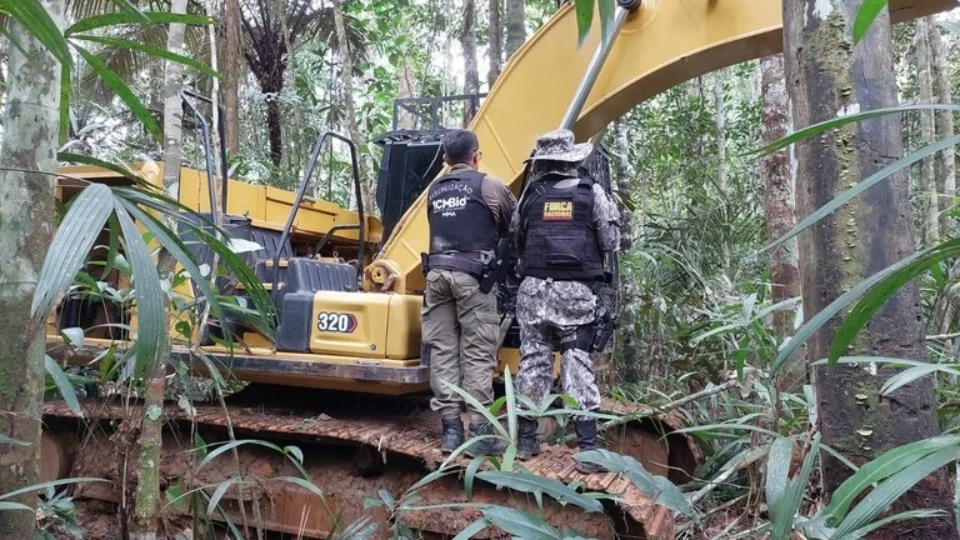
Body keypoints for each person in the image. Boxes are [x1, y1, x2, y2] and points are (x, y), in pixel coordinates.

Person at [511, 129, 621, 474]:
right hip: (574, 295)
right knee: (577, 364)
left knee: (533, 363)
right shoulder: (592, 194)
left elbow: (517, 237)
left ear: (542, 162)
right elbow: (611, 241)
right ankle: (588, 450)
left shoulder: (529, 194)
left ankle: (526, 443)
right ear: (572, 159)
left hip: (532, 292)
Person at [422, 129, 518, 456]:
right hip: (473, 276)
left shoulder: (434, 190)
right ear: (476, 155)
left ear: (446, 159)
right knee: (477, 350)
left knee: (443, 349)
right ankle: (479, 431)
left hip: (436, 276)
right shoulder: (488, 185)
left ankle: (450, 432)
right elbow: (511, 226)